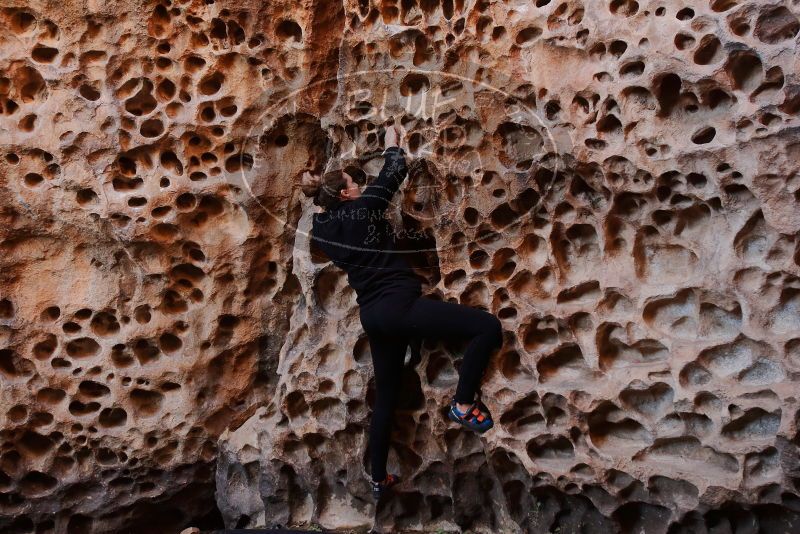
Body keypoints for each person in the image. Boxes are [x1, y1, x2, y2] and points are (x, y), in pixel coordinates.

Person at [300, 121, 503, 501]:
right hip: (399, 306)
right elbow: (393, 174)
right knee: (487, 328)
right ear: (345, 194)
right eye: (352, 183)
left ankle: (378, 478)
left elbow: (327, 210)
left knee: (388, 396)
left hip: (373, 318)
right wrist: (392, 143)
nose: (359, 186)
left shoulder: (323, 230)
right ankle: (463, 404)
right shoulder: (361, 210)